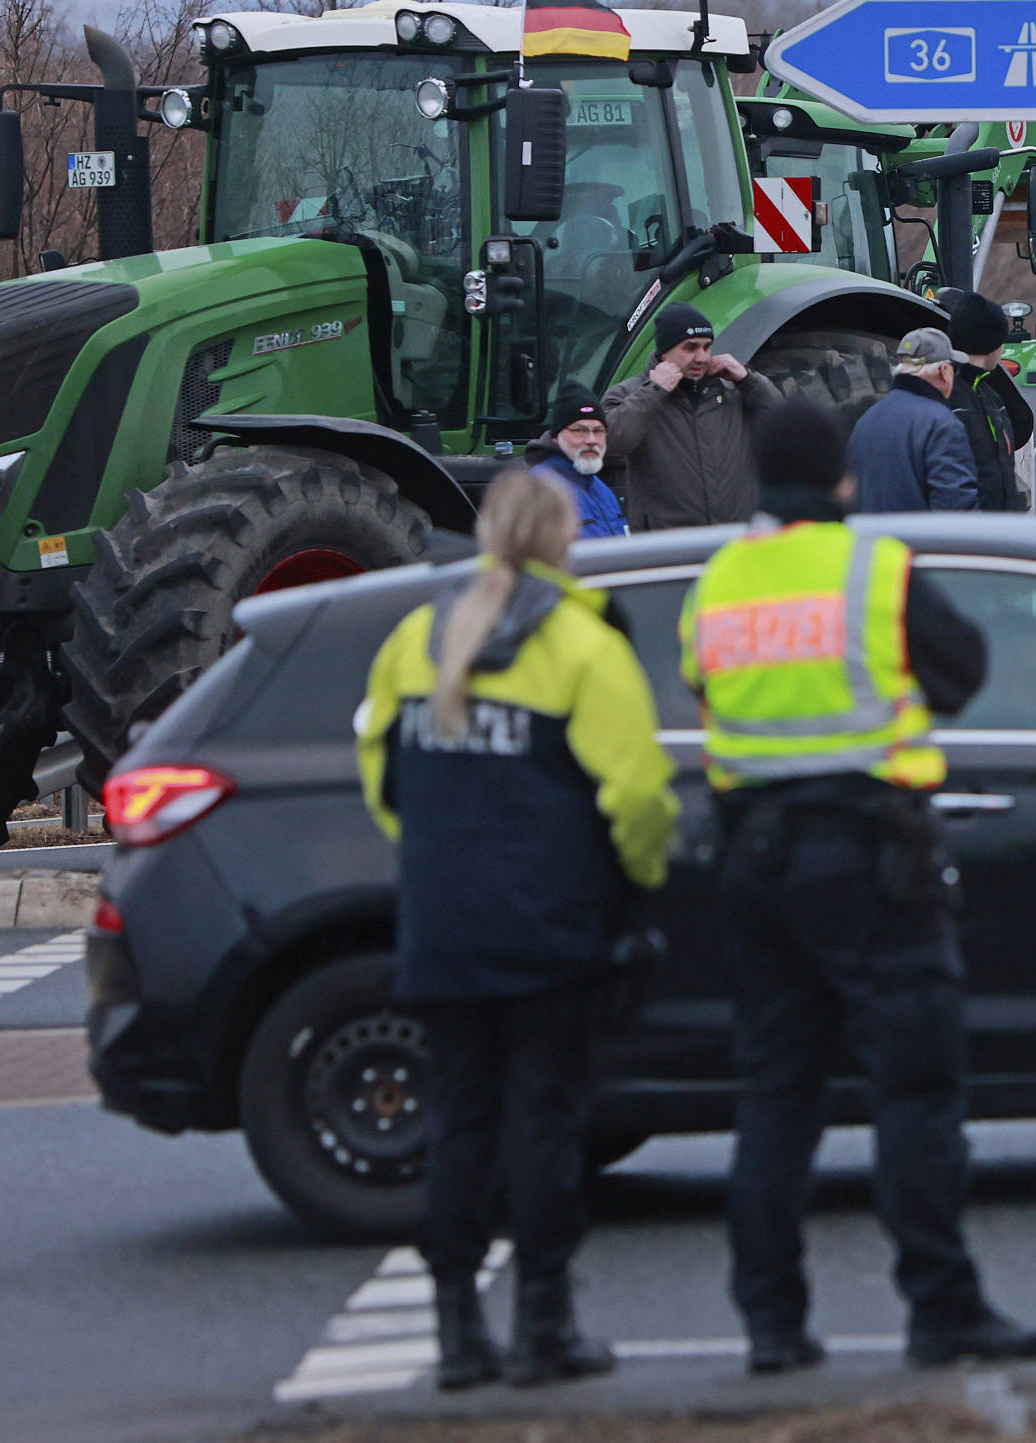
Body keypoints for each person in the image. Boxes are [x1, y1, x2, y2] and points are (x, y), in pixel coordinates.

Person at [682, 396, 1036, 1375]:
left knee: (773, 1095)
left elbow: (700, 685)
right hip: (870, 856)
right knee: (916, 1090)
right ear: (842, 479)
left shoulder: (718, 580)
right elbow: (962, 668)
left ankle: (769, 1322)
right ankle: (941, 1308)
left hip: (756, 864)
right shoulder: (871, 569)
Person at [355, 470, 678, 1390]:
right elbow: (639, 795)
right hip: (552, 927)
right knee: (544, 1122)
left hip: (444, 923)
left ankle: (458, 1328)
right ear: (563, 541)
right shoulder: (581, 643)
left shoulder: (422, 636)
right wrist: (640, 880)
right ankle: (545, 1322)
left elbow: (382, 775)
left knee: (459, 1121)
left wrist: (439, 859)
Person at [602, 304, 783, 530]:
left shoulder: (732, 390)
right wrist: (654, 391)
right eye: (690, 348)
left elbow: (785, 424)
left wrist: (750, 380)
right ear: (664, 352)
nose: (701, 357)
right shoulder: (631, 394)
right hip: (668, 548)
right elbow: (611, 443)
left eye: (707, 347)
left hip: (735, 539)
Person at [845, 327, 979, 514]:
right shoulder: (942, 425)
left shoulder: (867, 420)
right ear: (944, 371)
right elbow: (955, 511)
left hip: (871, 542)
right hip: (916, 544)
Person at [936, 289, 1034, 512]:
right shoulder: (954, 400)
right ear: (994, 346)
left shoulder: (987, 393)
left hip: (993, 529)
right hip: (971, 534)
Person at [526, 387, 628, 538]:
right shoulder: (540, 488)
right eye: (579, 430)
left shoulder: (600, 488)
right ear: (555, 437)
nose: (591, 440)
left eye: (599, 431)